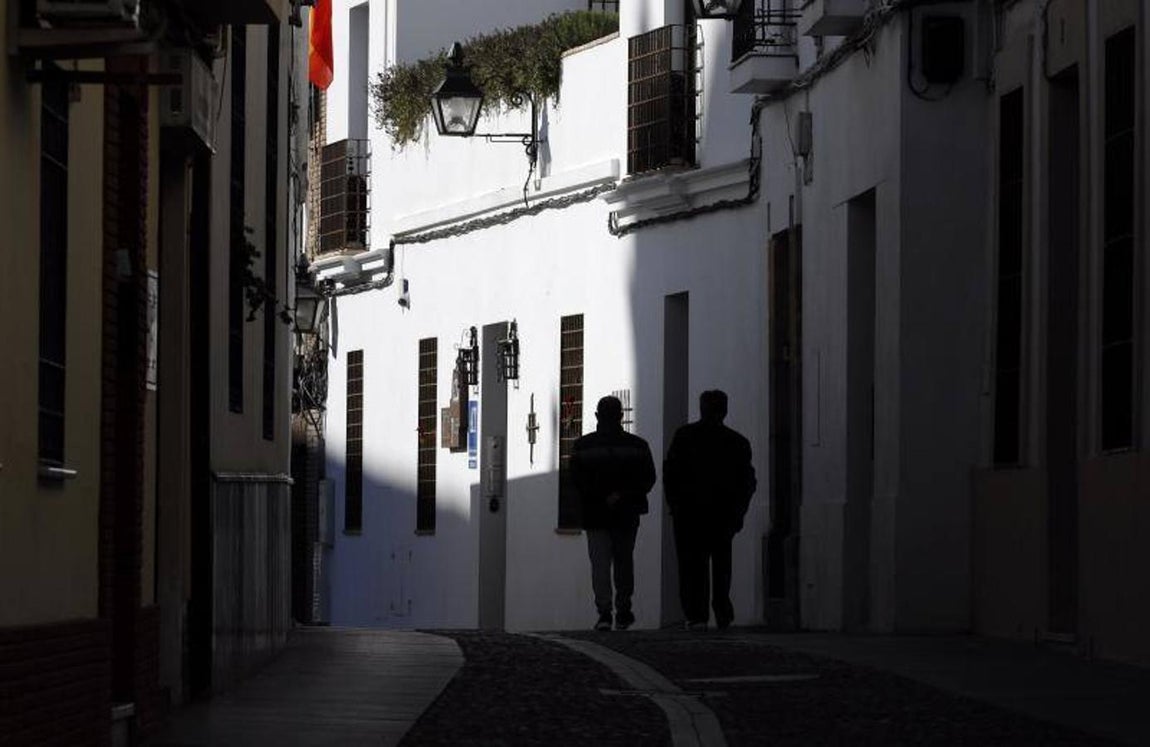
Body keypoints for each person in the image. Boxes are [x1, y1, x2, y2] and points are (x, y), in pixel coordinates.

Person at [664, 390, 756, 630]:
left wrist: (675, 505)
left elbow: (671, 474)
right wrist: (739, 512)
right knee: (722, 565)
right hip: (722, 515)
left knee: (691, 566)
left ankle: (696, 614)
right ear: (725, 411)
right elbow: (747, 482)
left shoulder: (684, 437)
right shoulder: (737, 442)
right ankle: (722, 610)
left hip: (689, 514)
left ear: (701, 409)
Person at [571, 395, 657, 631]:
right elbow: (648, 478)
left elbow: (577, 480)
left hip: (595, 513)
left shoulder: (582, 447)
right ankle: (624, 609)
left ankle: (604, 612)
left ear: (597, 416)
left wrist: (601, 496)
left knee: (599, 564)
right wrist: (623, 494)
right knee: (624, 561)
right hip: (626, 513)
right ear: (621, 416)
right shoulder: (638, 446)